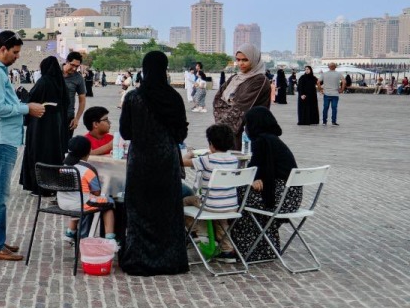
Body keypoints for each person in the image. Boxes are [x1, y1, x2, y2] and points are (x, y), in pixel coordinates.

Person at [118, 51, 189, 276]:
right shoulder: (174, 98)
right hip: (166, 159)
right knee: (167, 210)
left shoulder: (133, 97)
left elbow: (125, 132)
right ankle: (169, 260)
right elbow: (181, 133)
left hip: (140, 160)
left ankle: (140, 259)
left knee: (140, 209)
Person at [0, 32, 45, 262]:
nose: (17, 57)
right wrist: (27, 108)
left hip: (2, 136)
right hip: (2, 138)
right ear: (3, 49)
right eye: (15, 52)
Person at [229, 108, 302, 262]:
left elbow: (253, 171)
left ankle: (238, 246)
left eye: (247, 124)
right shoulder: (273, 140)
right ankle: (262, 247)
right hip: (292, 198)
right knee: (244, 196)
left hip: (279, 198)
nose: (245, 128)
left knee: (236, 196)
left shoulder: (261, 141)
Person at [180, 123, 241, 259]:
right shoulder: (234, 160)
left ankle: (196, 232)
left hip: (210, 205)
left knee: (185, 201)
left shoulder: (205, 160)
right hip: (231, 205)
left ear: (211, 144)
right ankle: (227, 250)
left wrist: (190, 153)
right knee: (221, 218)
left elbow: (182, 161)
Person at [19, 56, 67, 195]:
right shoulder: (60, 82)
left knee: (38, 151)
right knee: (53, 152)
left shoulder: (44, 81)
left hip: (41, 123)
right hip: (56, 122)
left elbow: (31, 99)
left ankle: (40, 186)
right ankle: (53, 185)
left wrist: (21, 92)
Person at [57, 136, 116, 241]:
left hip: (63, 203)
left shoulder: (64, 166)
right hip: (79, 205)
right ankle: (110, 238)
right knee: (109, 202)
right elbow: (97, 192)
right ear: (88, 152)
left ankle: (70, 232)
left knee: (79, 199)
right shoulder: (88, 170)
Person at [213, 44, 270, 149]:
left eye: (245, 60)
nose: (240, 63)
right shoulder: (235, 78)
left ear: (254, 60)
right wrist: (221, 124)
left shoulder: (259, 80)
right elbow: (217, 100)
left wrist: (221, 126)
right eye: (238, 60)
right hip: (228, 130)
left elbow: (241, 107)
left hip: (250, 132)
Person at [62, 51, 87, 133]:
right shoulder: (54, 72)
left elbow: (82, 100)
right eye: (72, 65)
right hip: (51, 116)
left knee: (66, 141)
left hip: (68, 117)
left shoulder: (78, 78)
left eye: (77, 66)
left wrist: (77, 118)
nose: (74, 68)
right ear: (67, 61)